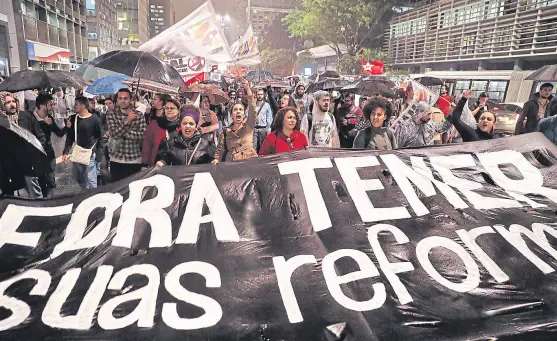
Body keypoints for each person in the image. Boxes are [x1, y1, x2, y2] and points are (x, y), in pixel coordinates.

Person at [0, 92, 46, 198]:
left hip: (28, 166)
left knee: (35, 196)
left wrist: (35, 155)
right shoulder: (2, 123)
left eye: (13, 101)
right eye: (7, 102)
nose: (12, 104)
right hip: (9, 168)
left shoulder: (26, 116)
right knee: (11, 200)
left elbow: (40, 137)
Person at [213, 78, 258, 163]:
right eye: (235, 110)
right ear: (231, 115)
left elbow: (253, 109)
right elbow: (219, 150)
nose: (238, 112)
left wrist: (248, 89)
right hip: (232, 164)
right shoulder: (226, 131)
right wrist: (216, 159)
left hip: (249, 163)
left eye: (241, 110)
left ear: (244, 114)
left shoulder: (249, 126)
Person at [62, 96, 104, 190]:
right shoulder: (73, 118)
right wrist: (65, 152)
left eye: (76, 104)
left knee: (91, 180)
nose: (74, 106)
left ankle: (93, 198)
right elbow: (70, 137)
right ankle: (85, 193)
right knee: (79, 178)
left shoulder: (95, 119)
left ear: (83, 105)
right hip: (78, 153)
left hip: (90, 154)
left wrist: (99, 154)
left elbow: (101, 137)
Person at [106, 88, 147, 182]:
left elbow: (143, 135)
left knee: (133, 190)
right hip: (116, 158)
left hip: (134, 158)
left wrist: (123, 132)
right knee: (117, 191)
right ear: (117, 100)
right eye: (120, 98)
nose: (123, 101)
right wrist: (127, 120)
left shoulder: (139, 115)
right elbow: (114, 134)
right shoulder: (111, 114)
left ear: (130, 100)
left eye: (125, 98)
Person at [34, 93, 68, 197]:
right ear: (42, 106)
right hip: (36, 155)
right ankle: (43, 203)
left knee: (50, 180)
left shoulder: (49, 118)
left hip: (49, 154)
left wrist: (67, 126)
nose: (53, 107)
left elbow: (59, 133)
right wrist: (44, 124)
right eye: (50, 104)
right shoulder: (31, 118)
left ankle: (51, 203)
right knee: (40, 181)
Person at [141, 98, 181, 166]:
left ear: (178, 110)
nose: (169, 110)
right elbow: (146, 144)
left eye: (172, 108)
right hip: (155, 164)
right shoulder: (156, 123)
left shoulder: (181, 126)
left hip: (175, 166)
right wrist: (144, 165)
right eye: (167, 108)